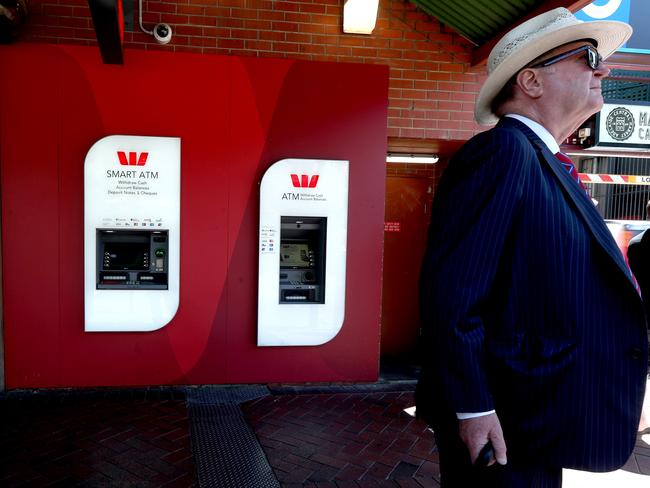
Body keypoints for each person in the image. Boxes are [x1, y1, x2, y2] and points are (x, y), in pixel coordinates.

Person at [415, 7, 648, 487]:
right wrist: (473, 407)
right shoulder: (503, 152)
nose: (603, 68)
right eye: (587, 56)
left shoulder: (541, 159)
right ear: (531, 82)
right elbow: (453, 297)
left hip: (537, 415)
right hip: (503, 420)